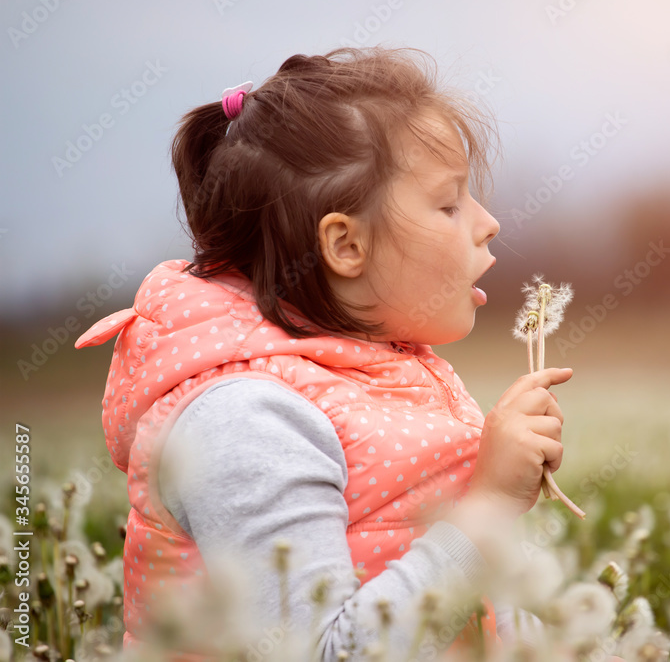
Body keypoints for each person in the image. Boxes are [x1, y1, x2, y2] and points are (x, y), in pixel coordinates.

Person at [75, 46, 573, 660]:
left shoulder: (379, 376)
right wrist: (488, 507)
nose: (488, 222)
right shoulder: (247, 419)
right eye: (448, 204)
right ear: (344, 245)